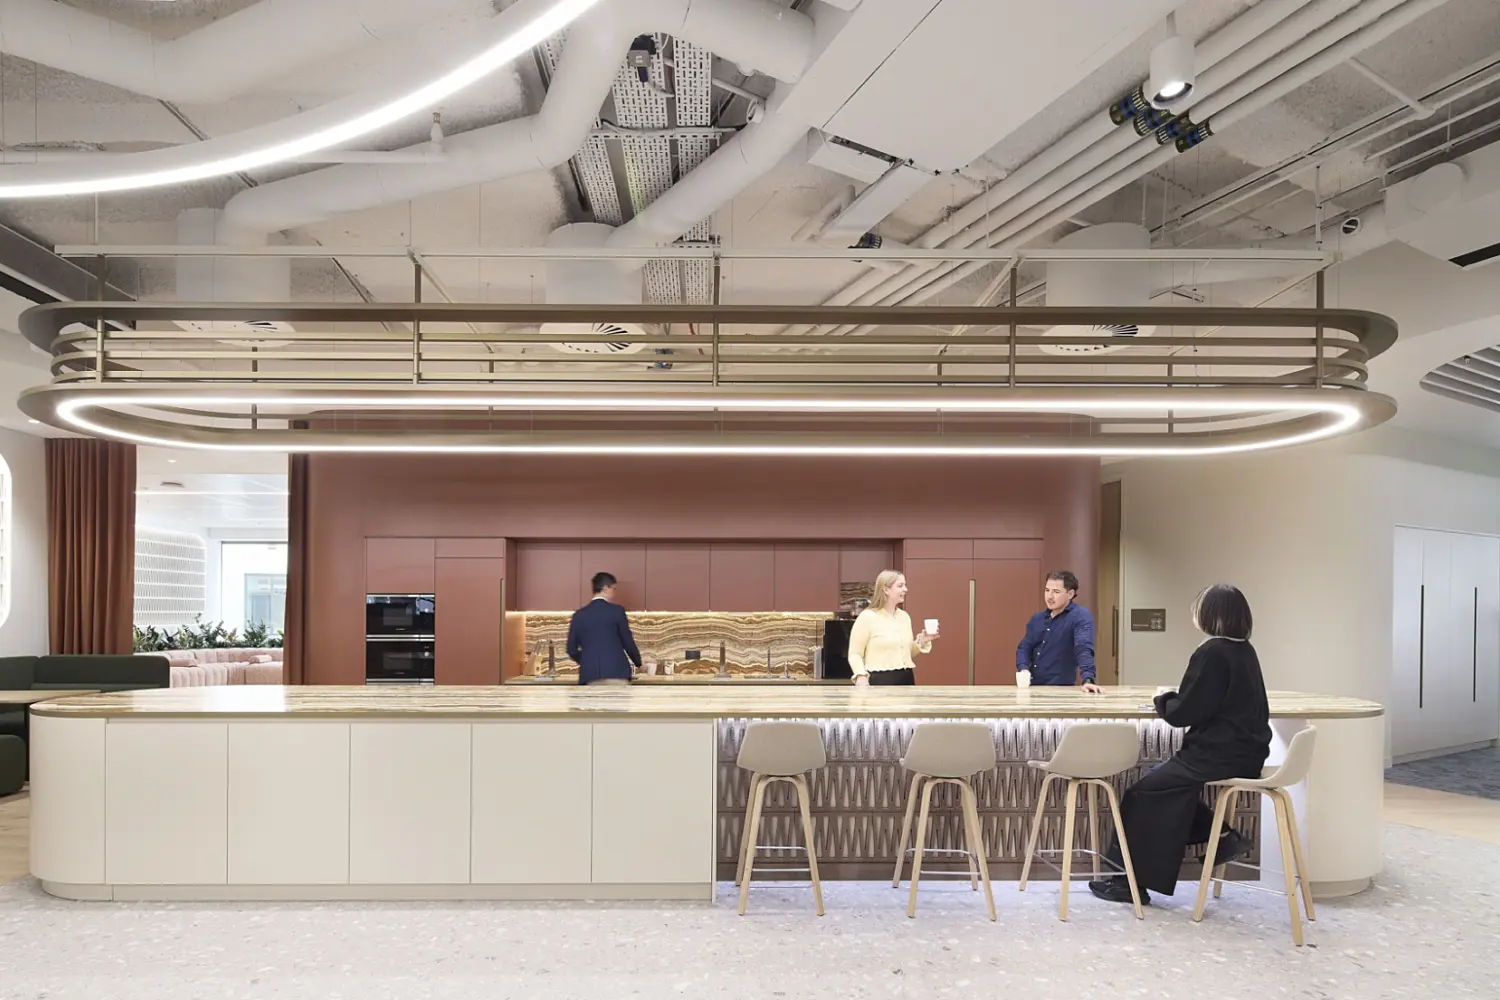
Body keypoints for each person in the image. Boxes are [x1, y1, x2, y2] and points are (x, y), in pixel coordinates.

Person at [1089, 583, 1272, 906]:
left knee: (1142, 793)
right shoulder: (1245, 650)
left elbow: (1184, 713)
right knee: (1162, 785)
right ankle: (1221, 836)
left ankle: (1128, 883)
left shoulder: (1212, 652)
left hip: (1217, 753)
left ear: (1211, 615)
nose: (1193, 613)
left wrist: (1161, 699)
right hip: (1246, 752)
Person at [1016, 570, 1102, 692]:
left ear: (1070, 594)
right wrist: (1023, 669)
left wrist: (1088, 679)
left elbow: (1083, 648)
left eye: (1056, 592)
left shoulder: (1080, 616)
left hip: (1061, 689)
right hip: (1033, 687)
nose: (1049, 596)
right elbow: (1024, 647)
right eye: (1047, 590)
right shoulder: (1037, 619)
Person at [848, 570, 937, 687]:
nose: (905, 589)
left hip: (906, 679)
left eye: (905, 585)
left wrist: (922, 641)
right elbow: (855, 653)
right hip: (880, 681)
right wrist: (860, 675)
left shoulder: (904, 617)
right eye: (900, 585)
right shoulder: (867, 617)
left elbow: (906, 652)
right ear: (886, 590)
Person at [566, 572, 642, 686]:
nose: (614, 593)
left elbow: (571, 649)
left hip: (590, 676)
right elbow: (628, 642)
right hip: (616, 672)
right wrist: (639, 663)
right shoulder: (617, 611)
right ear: (606, 587)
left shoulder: (579, 615)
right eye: (614, 589)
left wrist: (588, 661)